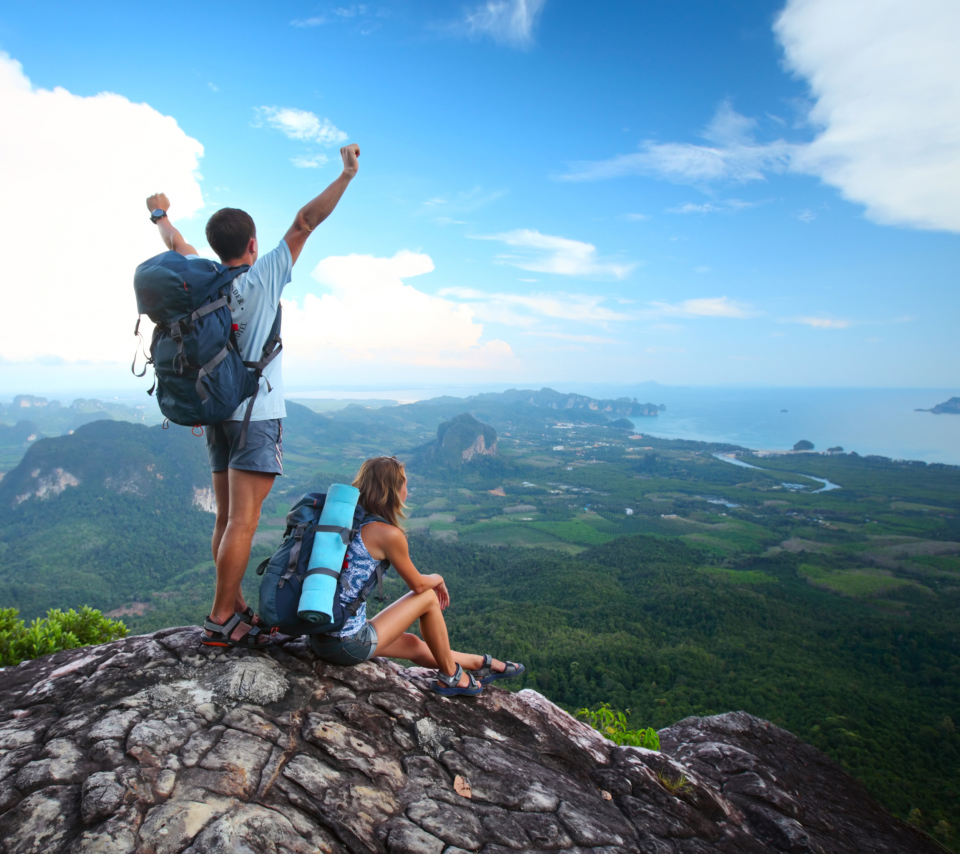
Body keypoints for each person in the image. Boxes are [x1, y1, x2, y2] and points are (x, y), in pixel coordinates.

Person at [145, 144, 361, 648]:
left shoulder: (204, 281)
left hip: (216, 411)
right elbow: (306, 221)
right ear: (253, 242)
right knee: (244, 521)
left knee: (226, 518)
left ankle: (233, 602)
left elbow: (176, 243)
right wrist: (346, 175)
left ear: (215, 245)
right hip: (255, 416)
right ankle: (222, 618)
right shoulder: (262, 276)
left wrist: (160, 214)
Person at [309, 456, 525, 696]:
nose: (407, 491)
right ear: (392, 491)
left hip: (320, 635)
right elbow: (419, 584)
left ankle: (480, 663)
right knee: (428, 598)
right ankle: (452, 676)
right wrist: (438, 577)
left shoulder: (343, 521)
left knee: (412, 643)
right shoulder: (386, 534)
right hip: (345, 644)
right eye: (405, 484)